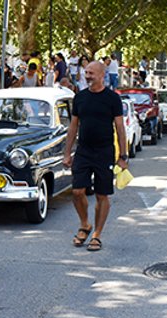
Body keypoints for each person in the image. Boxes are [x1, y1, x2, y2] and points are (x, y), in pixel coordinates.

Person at [62, 61, 128, 252]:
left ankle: (97, 234)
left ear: (101, 75)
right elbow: (73, 127)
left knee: (102, 194)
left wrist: (123, 156)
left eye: (91, 73)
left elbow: (120, 128)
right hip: (83, 151)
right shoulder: (80, 98)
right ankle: (85, 224)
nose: (87, 75)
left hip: (104, 152)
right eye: (86, 72)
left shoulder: (112, 99)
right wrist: (67, 153)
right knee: (77, 191)